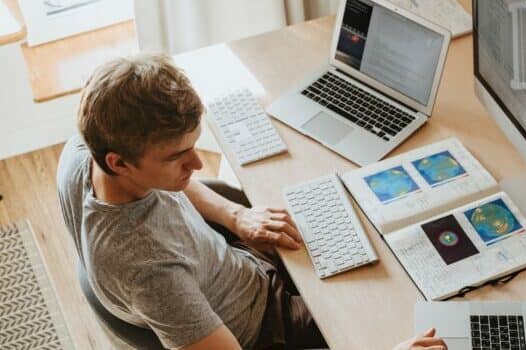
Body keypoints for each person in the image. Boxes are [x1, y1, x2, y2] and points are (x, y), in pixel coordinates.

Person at [57, 53, 445, 350]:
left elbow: (172, 182)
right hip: (266, 328)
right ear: (119, 162)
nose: (196, 163)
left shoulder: (84, 150)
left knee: (368, 231)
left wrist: (236, 216)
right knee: (413, 316)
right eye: (178, 157)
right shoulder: (149, 273)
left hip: (236, 265)